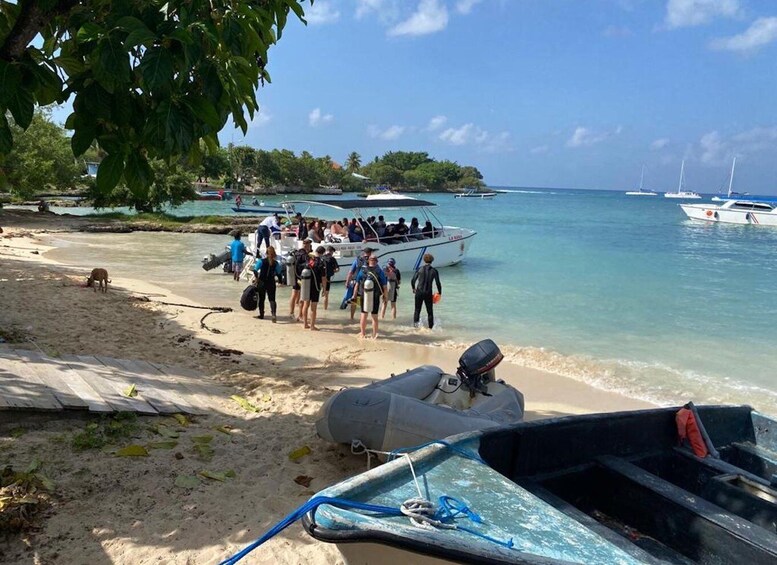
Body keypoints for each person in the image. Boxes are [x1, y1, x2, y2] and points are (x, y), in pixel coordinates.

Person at [354, 255, 388, 339]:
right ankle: (374, 334)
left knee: (363, 314)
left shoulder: (362, 270)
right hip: (375, 295)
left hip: (364, 294)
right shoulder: (379, 271)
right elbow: (384, 286)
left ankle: (362, 333)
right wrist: (385, 297)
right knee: (374, 316)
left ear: (369, 261)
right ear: (376, 261)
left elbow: (357, 284)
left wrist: (354, 295)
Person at [411, 253, 442, 329]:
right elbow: (438, 283)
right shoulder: (434, 271)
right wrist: (439, 292)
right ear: (432, 261)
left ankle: (415, 327)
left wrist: (413, 288)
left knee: (417, 310)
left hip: (419, 292)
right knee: (430, 312)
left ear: (424, 260)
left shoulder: (419, 269)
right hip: (428, 293)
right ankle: (430, 329)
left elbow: (413, 280)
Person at [300, 246, 328, 330]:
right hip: (315, 286)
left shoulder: (309, 260)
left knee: (306, 304)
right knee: (313, 307)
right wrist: (324, 288)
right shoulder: (321, 262)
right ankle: (312, 326)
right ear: (323, 253)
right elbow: (323, 278)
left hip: (306, 284)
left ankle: (305, 324)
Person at [252, 247, 282, 322]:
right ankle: (274, 314)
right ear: (274, 253)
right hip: (271, 283)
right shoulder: (276, 263)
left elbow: (255, 270)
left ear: (266, 253)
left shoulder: (261, 261)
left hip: (262, 282)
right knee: (272, 299)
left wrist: (257, 278)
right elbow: (279, 274)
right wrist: (280, 281)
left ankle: (261, 315)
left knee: (262, 299)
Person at [344, 246, 374, 321]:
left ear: (364, 253)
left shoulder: (357, 260)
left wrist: (347, 282)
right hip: (366, 283)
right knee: (366, 300)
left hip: (355, 282)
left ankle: (352, 317)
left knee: (354, 300)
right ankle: (364, 318)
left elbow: (351, 272)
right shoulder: (371, 260)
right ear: (370, 253)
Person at [289, 239, 313, 319]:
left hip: (295, 277)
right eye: (310, 246)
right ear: (307, 245)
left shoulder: (296, 253)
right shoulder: (305, 255)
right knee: (302, 297)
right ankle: (300, 315)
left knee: (293, 295)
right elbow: (308, 265)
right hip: (302, 278)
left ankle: (291, 313)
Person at [322, 246, 340, 310]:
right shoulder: (332, 259)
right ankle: (325, 310)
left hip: (319, 278)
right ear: (331, 251)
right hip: (327, 278)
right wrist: (333, 271)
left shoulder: (321, 257)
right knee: (326, 296)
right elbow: (337, 269)